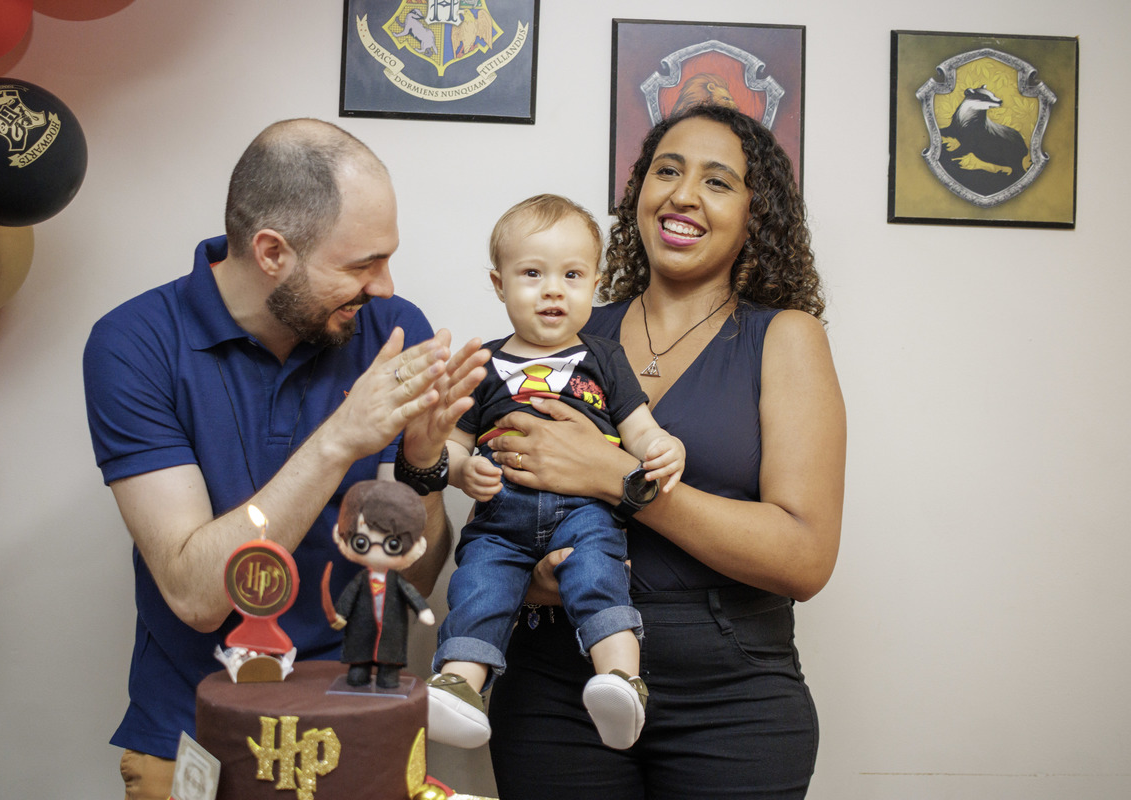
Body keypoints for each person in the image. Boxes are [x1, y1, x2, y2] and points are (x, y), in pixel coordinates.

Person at [82, 118, 487, 800]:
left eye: (388, 258)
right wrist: (340, 439)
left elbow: (412, 574)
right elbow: (196, 595)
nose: (385, 286)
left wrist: (420, 469)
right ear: (271, 251)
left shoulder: (391, 330)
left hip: (353, 730)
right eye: (361, 264)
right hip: (193, 735)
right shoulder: (135, 344)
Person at [484, 104, 846, 799]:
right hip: (558, 681)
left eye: (717, 181)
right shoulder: (563, 328)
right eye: (667, 171)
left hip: (731, 697)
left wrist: (619, 478)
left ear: (755, 214)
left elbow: (805, 558)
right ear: (639, 194)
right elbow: (500, 499)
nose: (683, 195)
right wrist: (531, 576)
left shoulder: (784, 337)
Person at [426, 195, 685, 752]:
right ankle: (460, 686)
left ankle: (621, 680)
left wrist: (664, 447)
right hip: (500, 517)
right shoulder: (484, 365)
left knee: (598, 574)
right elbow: (451, 445)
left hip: (585, 512)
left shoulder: (605, 357)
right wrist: (463, 471)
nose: (553, 290)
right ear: (498, 285)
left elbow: (639, 429)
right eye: (532, 274)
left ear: (594, 283)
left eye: (572, 275)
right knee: (480, 584)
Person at [321, 479, 436, 689]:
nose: (376, 549)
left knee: (389, 679)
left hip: (391, 635)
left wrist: (422, 610)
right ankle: (359, 672)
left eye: (392, 544)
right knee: (356, 676)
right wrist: (340, 614)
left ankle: (387, 674)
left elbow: (410, 593)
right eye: (362, 542)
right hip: (360, 634)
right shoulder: (360, 580)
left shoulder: (396, 581)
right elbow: (348, 597)